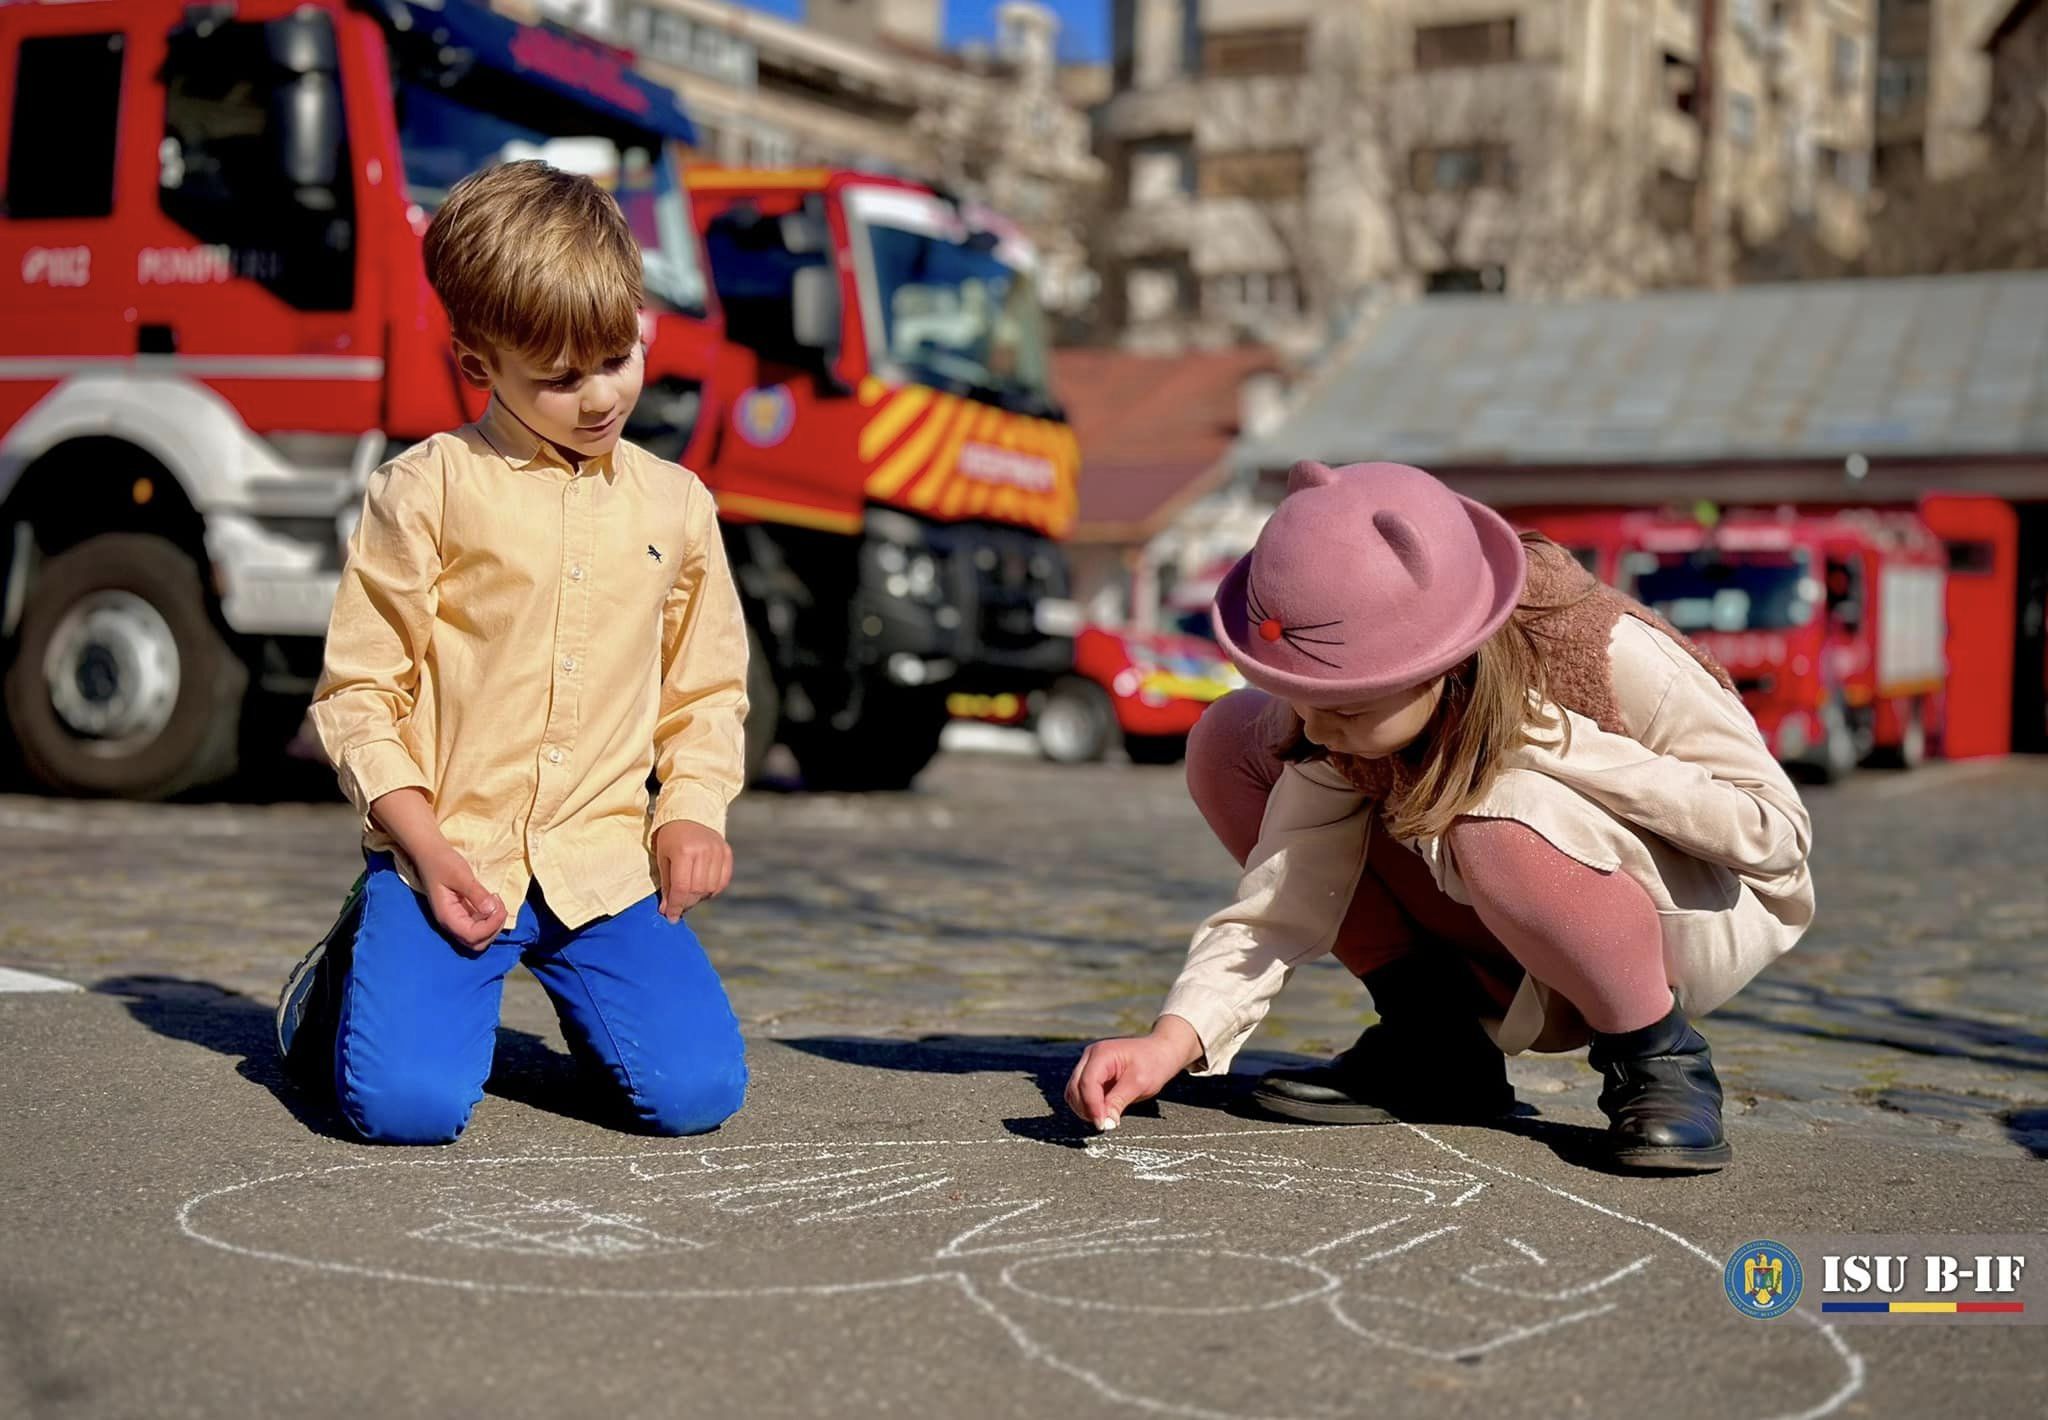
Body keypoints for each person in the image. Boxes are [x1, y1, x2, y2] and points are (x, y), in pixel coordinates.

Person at [1066, 461, 1815, 1172]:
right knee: (1233, 740)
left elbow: (1774, 833)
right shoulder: (1339, 725)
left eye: (1346, 708)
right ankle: (1436, 1045)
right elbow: (1281, 894)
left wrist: (1551, 744)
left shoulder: (1606, 649)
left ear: (1444, 662)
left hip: (1679, 917)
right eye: (1303, 699)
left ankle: (1657, 1056)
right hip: (1495, 908)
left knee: (1492, 814)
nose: (1319, 729)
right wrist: (1174, 1038)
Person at [275, 161, 750, 1145]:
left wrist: (692, 812)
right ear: (479, 363)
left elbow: (706, 689)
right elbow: (359, 692)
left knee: (695, 1093)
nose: (598, 396)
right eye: (560, 378)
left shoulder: (677, 505)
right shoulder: (427, 489)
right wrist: (428, 848)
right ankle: (346, 979)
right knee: (406, 1108)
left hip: (601, 862)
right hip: (449, 855)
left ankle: (564, 1004)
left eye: (615, 357)